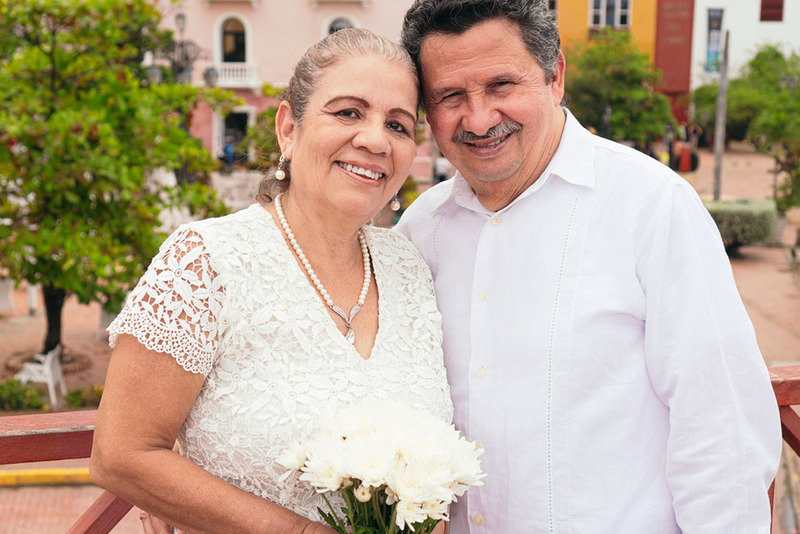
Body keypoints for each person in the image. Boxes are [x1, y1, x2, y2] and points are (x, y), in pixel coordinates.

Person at [396, 1, 781, 532]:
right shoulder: (420, 231)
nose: (479, 118)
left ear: (555, 77)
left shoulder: (652, 205)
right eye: (450, 96)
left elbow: (723, 430)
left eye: (502, 86)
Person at [90, 28, 453, 534]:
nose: (374, 139)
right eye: (348, 112)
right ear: (288, 128)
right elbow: (120, 455)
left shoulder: (410, 267)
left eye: (397, 124)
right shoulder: (205, 261)